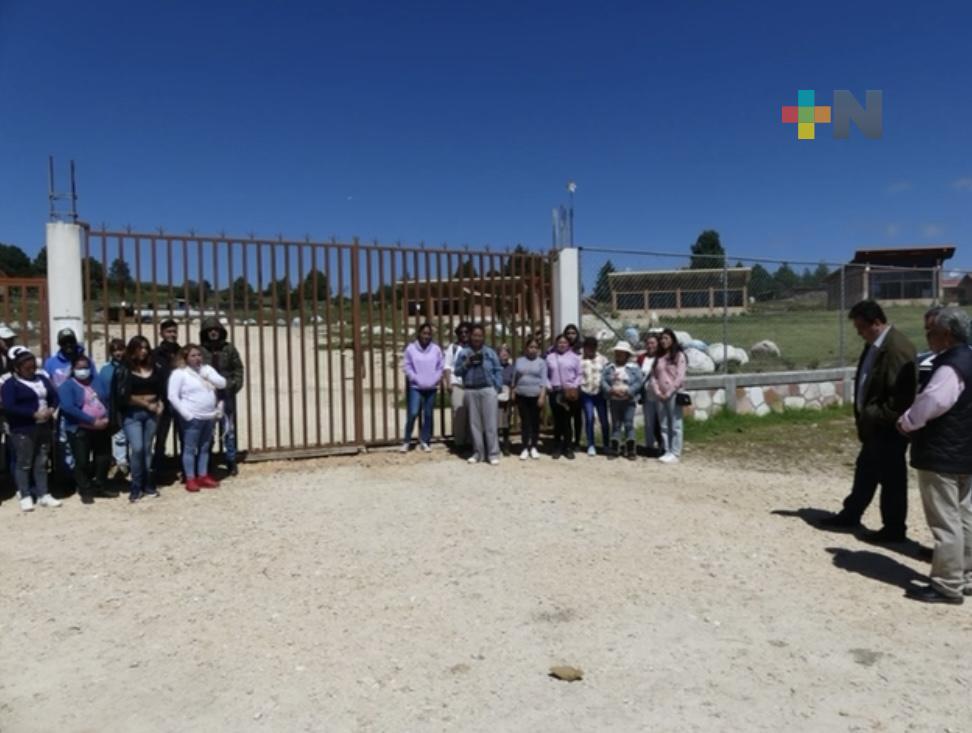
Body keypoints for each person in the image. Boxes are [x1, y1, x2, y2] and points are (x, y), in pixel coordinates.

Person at [819, 300, 917, 541]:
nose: (858, 333)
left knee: (892, 479)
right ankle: (852, 513)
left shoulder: (896, 348)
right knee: (866, 471)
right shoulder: (875, 344)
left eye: (861, 327)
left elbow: (901, 396)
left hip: (887, 428)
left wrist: (877, 416)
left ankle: (894, 529)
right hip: (874, 427)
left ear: (876, 323)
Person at [896, 308, 972, 604]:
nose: (927, 338)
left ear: (947, 334)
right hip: (966, 451)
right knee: (965, 516)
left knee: (945, 521)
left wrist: (906, 422)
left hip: (942, 454)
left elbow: (931, 402)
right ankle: (965, 575)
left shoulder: (950, 367)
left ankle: (947, 584)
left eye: (931, 332)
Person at [2, 349, 60, 512]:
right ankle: (25, 494)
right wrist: (32, 414)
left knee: (41, 461)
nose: (32, 370)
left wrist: (51, 409)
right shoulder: (10, 384)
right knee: (24, 463)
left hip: (44, 425)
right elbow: (9, 406)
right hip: (23, 428)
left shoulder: (41, 379)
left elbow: (55, 396)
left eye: (33, 367)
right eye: (28, 368)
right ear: (18, 368)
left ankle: (43, 493)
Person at [112, 335, 165, 502]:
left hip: (152, 414)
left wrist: (160, 403)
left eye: (146, 348)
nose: (143, 351)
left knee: (148, 448)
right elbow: (122, 395)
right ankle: (135, 485)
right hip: (132, 414)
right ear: (132, 350)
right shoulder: (123, 369)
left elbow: (161, 388)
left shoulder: (154, 366)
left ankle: (148, 484)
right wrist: (145, 403)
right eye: (140, 348)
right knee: (138, 448)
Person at [168, 344, 227, 492]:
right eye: (193, 356)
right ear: (185, 358)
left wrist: (209, 375)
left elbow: (222, 383)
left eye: (199, 355)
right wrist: (187, 414)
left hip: (209, 416)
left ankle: (202, 475)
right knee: (189, 448)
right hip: (192, 417)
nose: (197, 358)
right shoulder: (180, 373)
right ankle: (190, 478)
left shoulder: (207, 370)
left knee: (205, 448)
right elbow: (172, 396)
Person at [57, 354, 114, 504]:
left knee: (103, 458)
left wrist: (107, 417)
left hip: (101, 426)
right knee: (82, 461)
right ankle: (85, 489)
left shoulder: (97, 381)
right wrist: (91, 420)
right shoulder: (67, 386)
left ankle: (100, 486)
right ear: (73, 369)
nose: (83, 370)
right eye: (79, 367)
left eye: (85, 367)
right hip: (80, 428)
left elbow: (107, 399)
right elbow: (68, 407)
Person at [200, 317, 244, 476]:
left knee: (229, 428)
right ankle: (208, 460)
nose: (213, 332)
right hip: (207, 396)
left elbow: (238, 369)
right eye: (210, 330)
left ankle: (231, 460)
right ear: (205, 333)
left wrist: (234, 385)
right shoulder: (200, 350)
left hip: (227, 394)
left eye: (216, 329)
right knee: (208, 430)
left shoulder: (229, 348)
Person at [453, 324, 503, 465]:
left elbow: (498, 369)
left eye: (479, 335)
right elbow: (457, 372)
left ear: (483, 337)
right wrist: (467, 364)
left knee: (490, 423)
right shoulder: (463, 353)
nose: (477, 338)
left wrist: (497, 387)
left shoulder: (490, 352)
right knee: (474, 424)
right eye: (474, 335)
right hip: (470, 389)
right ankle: (478, 453)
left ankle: (493, 453)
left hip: (487, 389)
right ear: (470, 336)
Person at [401, 322, 443, 453]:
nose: (426, 336)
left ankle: (425, 440)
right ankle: (407, 440)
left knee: (428, 415)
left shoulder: (436, 349)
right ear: (419, 333)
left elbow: (440, 366)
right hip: (415, 386)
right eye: (424, 333)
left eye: (429, 333)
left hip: (431, 387)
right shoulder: (411, 349)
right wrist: (415, 378)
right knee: (413, 413)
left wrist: (435, 379)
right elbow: (406, 366)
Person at [602, 340, 643, 460]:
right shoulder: (609, 367)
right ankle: (615, 448)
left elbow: (638, 382)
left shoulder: (633, 368)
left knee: (629, 423)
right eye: (617, 353)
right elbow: (603, 381)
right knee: (616, 424)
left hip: (628, 399)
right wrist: (610, 390)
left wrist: (629, 392)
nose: (619, 355)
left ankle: (630, 449)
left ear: (627, 355)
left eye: (622, 353)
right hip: (614, 399)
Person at [651, 328, 687, 464]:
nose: (663, 341)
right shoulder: (658, 358)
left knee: (675, 424)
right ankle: (667, 449)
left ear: (672, 339)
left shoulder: (679, 356)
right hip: (660, 395)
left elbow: (680, 376)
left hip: (673, 393)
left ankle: (675, 452)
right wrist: (658, 391)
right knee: (664, 424)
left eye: (666, 338)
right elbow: (653, 376)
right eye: (662, 339)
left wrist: (669, 391)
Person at [152, 319, 182, 476]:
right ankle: (158, 469)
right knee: (161, 436)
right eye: (169, 331)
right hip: (162, 400)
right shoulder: (155, 354)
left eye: (174, 331)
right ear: (161, 333)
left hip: (181, 401)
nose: (172, 334)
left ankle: (185, 468)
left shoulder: (182, 352)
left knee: (184, 435)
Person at [546, 333, 582, 460]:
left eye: (564, 342)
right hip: (555, 391)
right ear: (556, 344)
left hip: (568, 393)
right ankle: (557, 447)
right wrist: (548, 384)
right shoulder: (550, 357)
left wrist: (574, 385)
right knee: (557, 421)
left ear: (568, 344)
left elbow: (579, 374)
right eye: (560, 342)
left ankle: (568, 447)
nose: (562, 345)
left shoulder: (574, 357)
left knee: (567, 421)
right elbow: (545, 374)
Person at [97, 338, 130, 477]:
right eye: (115, 350)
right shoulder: (105, 369)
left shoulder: (131, 367)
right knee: (119, 437)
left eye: (121, 349)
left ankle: (128, 464)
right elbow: (102, 391)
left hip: (130, 407)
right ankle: (120, 465)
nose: (119, 353)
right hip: (113, 409)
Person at [513, 337, 547, 460]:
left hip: (536, 396)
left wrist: (542, 396)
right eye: (530, 347)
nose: (533, 350)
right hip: (521, 395)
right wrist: (513, 391)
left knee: (535, 422)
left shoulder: (541, 362)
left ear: (538, 349)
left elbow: (544, 381)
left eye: (535, 348)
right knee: (525, 422)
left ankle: (533, 446)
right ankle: (524, 447)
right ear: (526, 348)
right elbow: (514, 378)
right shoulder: (519, 361)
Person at [442, 322, 472, 452]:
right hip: (457, 384)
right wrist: (448, 383)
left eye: (466, 332)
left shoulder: (475, 347)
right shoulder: (453, 348)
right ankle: (459, 443)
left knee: (472, 414)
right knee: (459, 414)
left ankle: (471, 441)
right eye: (461, 332)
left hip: (472, 385)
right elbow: (447, 366)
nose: (464, 334)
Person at [579, 336, 610, 457]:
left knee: (604, 420)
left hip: (600, 392)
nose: (590, 349)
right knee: (589, 417)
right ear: (584, 347)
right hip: (586, 392)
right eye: (588, 347)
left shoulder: (603, 359)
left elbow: (607, 374)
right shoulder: (580, 360)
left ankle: (606, 444)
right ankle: (591, 444)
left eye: (593, 347)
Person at [640, 333, 662, 456]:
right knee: (649, 421)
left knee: (660, 421)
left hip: (660, 394)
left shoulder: (661, 357)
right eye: (648, 343)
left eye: (652, 343)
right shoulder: (642, 358)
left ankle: (663, 445)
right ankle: (649, 446)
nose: (650, 346)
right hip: (647, 394)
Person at [497, 344, 515, 456]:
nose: (504, 354)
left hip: (506, 397)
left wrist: (512, 393)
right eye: (501, 352)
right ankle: (494, 444)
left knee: (506, 422)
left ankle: (506, 445)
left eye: (506, 352)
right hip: (495, 396)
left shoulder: (512, 368)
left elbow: (513, 382)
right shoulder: (494, 367)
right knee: (494, 422)